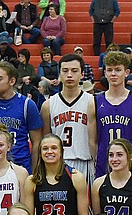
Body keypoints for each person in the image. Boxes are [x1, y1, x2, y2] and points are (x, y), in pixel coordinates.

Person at [0, 62, 44, 171]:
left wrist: (33, 171)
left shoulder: (27, 105)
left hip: (21, 165)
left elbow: (37, 142)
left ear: (12, 81)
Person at [41, 53, 97, 183]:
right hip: (58, 163)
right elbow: (46, 139)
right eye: (65, 71)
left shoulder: (92, 102)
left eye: (74, 71)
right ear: (59, 74)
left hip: (86, 162)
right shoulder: (48, 105)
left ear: (82, 74)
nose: (69, 75)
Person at [95, 51, 132, 179]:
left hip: (129, 162)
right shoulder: (95, 101)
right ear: (105, 73)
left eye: (118, 70)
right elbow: (93, 141)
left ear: (126, 73)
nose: (113, 74)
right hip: (103, 161)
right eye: (109, 70)